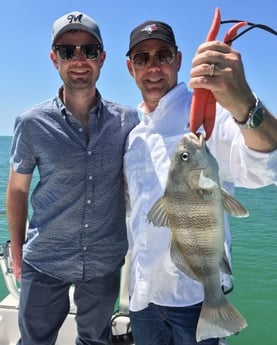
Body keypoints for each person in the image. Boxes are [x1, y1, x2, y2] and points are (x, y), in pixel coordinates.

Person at [123, 20, 277, 345]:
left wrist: (245, 103)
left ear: (178, 60)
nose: (152, 67)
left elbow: (264, 166)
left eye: (162, 56)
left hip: (194, 299)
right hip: (142, 297)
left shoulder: (214, 116)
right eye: (142, 58)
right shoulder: (133, 136)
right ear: (130, 67)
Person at [6, 11, 138, 345]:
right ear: (54, 59)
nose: (78, 59)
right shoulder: (31, 122)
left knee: (95, 341)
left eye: (88, 50)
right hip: (45, 258)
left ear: (102, 58)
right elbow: (18, 190)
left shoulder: (128, 121)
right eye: (67, 51)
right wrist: (17, 250)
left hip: (104, 259)